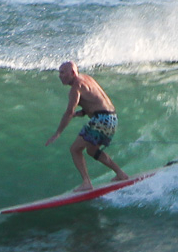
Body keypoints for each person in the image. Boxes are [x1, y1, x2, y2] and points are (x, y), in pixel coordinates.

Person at [45, 60, 129, 190]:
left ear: (72, 73)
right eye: (59, 73)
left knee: (74, 149)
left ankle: (86, 182)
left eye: (63, 73)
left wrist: (58, 133)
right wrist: (83, 112)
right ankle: (120, 173)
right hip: (111, 117)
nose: (60, 76)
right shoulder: (87, 78)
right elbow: (97, 101)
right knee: (92, 150)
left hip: (101, 119)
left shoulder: (76, 87)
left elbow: (69, 112)